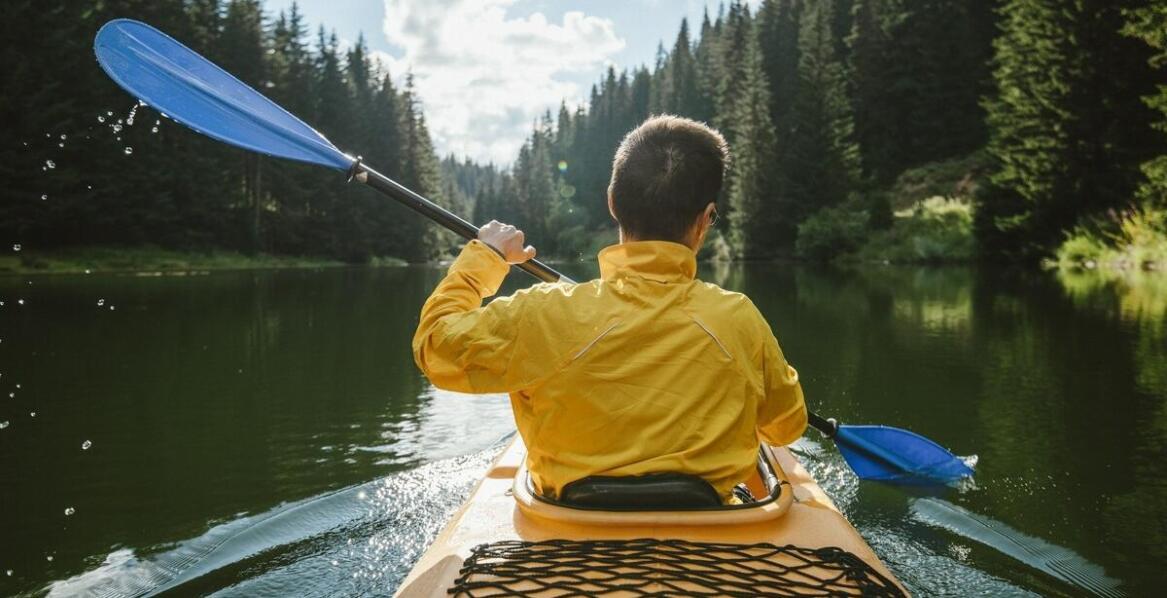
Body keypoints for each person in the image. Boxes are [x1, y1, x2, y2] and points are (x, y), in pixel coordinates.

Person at [412, 115, 807, 503]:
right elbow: (785, 427)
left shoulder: (542, 313)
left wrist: (488, 256)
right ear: (705, 219)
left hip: (572, 544)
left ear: (612, 202)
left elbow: (435, 345)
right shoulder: (739, 319)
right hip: (710, 545)